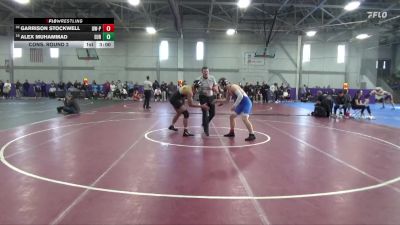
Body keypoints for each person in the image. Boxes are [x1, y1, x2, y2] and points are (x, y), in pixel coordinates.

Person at [197, 66, 219, 136]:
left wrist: (213, 88)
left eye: (207, 71)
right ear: (202, 72)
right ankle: (206, 130)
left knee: (213, 113)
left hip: (211, 97)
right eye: (204, 71)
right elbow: (197, 90)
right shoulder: (198, 80)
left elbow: (216, 86)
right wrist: (203, 92)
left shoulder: (212, 78)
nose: (206, 73)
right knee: (205, 113)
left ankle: (204, 123)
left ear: (208, 72)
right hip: (203, 97)